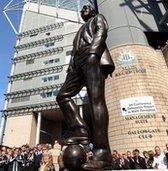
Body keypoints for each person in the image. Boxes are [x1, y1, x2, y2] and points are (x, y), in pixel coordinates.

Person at [56, 4, 114, 170]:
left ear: (93, 10)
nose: (83, 10)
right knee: (62, 96)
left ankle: (102, 154)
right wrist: (70, 68)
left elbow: (102, 32)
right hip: (78, 63)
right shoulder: (79, 31)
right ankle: (80, 130)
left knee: (96, 101)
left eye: (86, 8)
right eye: (81, 10)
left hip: (91, 55)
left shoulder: (98, 18)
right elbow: (74, 52)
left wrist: (94, 53)